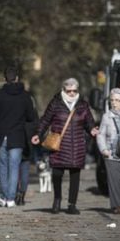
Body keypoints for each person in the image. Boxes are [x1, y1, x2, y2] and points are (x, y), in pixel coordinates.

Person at [31, 78, 98, 215]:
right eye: (69, 91)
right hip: (59, 145)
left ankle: (72, 204)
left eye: (75, 90)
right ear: (64, 90)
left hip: (77, 145)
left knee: (75, 175)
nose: (72, 93)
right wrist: (38, 133)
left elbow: (89, 122)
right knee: (57, 173)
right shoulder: (56, 103)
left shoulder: (82, 105)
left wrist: (92, 129)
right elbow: (45, 120)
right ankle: (57, 200)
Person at [0, 67, 37, 208]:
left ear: (5, 79)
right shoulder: (25, 96)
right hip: (17, 135)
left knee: (2, 167)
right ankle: (10, 198)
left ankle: (4, 196)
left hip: (0, 135)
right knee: (14, 167)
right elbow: (30, 116)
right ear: (17, 78)